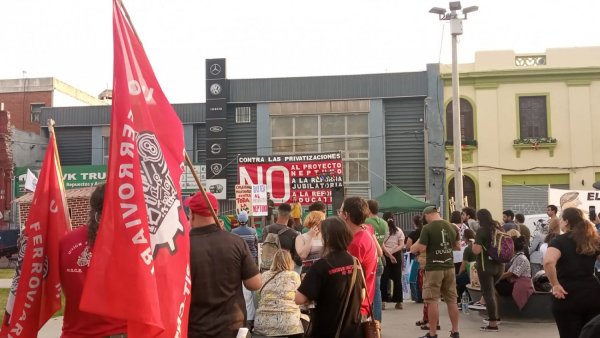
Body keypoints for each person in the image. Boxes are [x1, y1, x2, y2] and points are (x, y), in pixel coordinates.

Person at [187, 191, 261, 337]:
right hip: (232, 328)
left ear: (191, 213)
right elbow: (255, 283)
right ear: (216, 212)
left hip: (195, 328)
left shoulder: (183, 246)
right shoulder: (235, 242)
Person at [59, 184, 127, 337]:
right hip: (118, 331)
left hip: (76, 332)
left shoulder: (67, 241)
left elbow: (61, 287)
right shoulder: (130, 242)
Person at [295, 217, 365, 338]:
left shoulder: (322, 265)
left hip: (328, 330)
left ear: (327, 238)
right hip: (354, 330)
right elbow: (362, 295)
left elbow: (299, 299)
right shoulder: (355, 262)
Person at [544, 207, 600, 338]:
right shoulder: (592, 240)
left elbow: (548, 262)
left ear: (566, 221)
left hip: (566, 294)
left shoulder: (559, 241)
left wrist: (555, 285)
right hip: (592, 293)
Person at [411, 206, 461, 338]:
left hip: (434, 268)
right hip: (449, 267)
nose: (425, 220)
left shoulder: (427, 228)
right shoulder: (452, 227)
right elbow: (458, 246)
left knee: (432, 300)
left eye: (425, 217)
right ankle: (455, 331)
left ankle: (433, 333)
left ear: (428, 215)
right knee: (452, 300)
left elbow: (421, 248)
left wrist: (412, 247)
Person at [340, 196, 378, 320]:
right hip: (363, 301)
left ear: (346, 215)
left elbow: (349, 277)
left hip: (356, 305)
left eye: (340, 211)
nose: (339, 215)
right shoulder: (366, 230)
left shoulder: (356, 243)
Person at [254, 250, 304, 338]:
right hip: (289, 325)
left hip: (263, 325)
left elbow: (258, 295)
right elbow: (299, 297)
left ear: (274, 261)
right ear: (290, 261)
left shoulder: (264, 275)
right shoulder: (294, 275)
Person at [471, 208, 504, 332]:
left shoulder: (482, 231)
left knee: (488, 293)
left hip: (486, 266)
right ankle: (497, 317)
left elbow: (476, 250)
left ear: (479, 219)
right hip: (500, 266)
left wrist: (473, 243)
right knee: (493, 292)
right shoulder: (498, 228)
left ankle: (493, 323)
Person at [231, 210, 259, 329]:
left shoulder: (233, 232)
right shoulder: (253, 231)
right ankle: (253, 318)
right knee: (253, 291)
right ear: (247, 220)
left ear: (238, 221)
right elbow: (256, 244)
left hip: (237, 264)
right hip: (252, 263)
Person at [495, 236, 534, 310]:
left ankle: (497, 309)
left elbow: (510, 273)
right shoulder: (517, 257)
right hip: (515, 282)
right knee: (494, 284)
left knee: (494, 286)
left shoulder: (521, 258)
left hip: (520, 284)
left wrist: (496, 277)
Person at [365, 199, 388, 319]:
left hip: (369, 261)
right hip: (379, 260)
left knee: (367, 294)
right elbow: (382, 242)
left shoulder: (366, 222)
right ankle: (377, 322)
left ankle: (369, 322)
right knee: (377, 293)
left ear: (368, 209)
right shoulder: (384, 223)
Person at [263, 203, 302, 273]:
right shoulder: (293, 234)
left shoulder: (266, 230)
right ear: (290, 215)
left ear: (278, 213)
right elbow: (297, 259)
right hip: (285, 272)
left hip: (267, 270)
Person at [380, 211, 405, 310]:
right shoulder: (399, 230)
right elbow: (401, 245)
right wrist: (393, 253)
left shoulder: (383, 231)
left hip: (385, 256)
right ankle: (399, 302)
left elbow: (380, 244)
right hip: (396, 256)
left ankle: (383, 302)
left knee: (384, 279)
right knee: (397, 279)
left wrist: (388, 254)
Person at [294, 210, 325, 276]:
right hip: (308, 271)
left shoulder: (325, 236)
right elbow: (303, 256)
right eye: (321, 222)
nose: (324, 224)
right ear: (315, 222)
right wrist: (311, 237)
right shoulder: (301, 238)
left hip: (324, 270)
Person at [406, 215, 424, 303]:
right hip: (425, 256)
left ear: (414, 223)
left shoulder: (412, 234)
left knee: (415, 277)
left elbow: (408, 247)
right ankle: (424, 295)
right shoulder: (425, 232)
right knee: (424, 276)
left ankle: (417, 296)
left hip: (415, 257)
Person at [456, 229, 476, 303]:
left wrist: (459, 274)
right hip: (478, 273)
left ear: (465, 238)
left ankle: (459, 299)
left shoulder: (468, 249)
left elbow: (463, 266)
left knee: (455, 279)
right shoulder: (477, 246)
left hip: (471, 274)